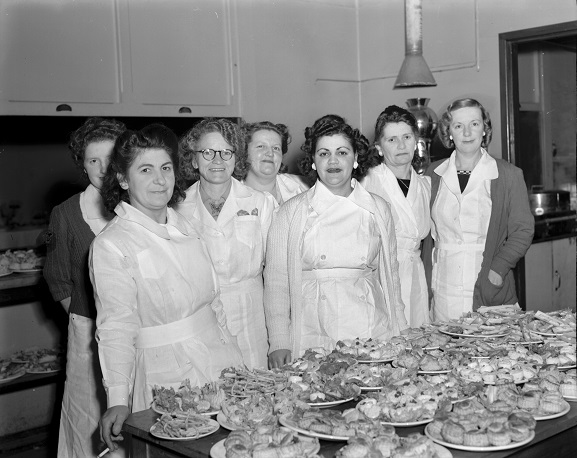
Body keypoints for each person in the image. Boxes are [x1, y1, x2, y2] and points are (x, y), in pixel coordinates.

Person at [90, 124, 243, 453]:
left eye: (166, 168)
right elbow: (117, 326)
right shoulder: (113, 243)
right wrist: (118, 399)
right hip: (167, 377)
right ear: (122, 179)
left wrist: (236, 361)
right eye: (145, 170)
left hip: (218, 363)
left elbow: (213, 303)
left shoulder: (184, 224)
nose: (159, 180)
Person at [264, 116, 408, 368]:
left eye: (342, 152)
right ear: (312, 160)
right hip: (313, 327)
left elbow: (391, 279)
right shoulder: (291, 212)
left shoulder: (379, 208)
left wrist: (401, 329)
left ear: (355, 159)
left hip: (369, 326)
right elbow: (276, 282)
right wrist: (278, 341)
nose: (333, 161)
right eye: (323, 153)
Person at [43, 117, 126, 458]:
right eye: (94, 160)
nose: (104, 168)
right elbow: (58, 281)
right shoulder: (66, 214)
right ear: (83, 165)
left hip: (135, 332)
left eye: (111, 158)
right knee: (89, 420)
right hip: (88, 335)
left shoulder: (142, 204)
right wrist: (89, 322)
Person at [176, 118, 275, 369]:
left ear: (236, 157)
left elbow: (277, 274)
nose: (217, 160)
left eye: (226, 152)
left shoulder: (261, 203)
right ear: (193, 159)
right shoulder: (176, 209)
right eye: (207, 152)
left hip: (252, 317)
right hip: (202, 318)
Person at [423, 98, 534, 321]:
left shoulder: (508, 175)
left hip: (488, 288)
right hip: (443, 288)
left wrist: (497, 271)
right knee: (445, 351)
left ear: (485, 128)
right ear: (449, 132)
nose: (467, 132)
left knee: (490, 352)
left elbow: (523, 230)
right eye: (458, 126)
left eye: (474, 124)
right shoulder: (433, 173)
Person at [361, 105, 431, 327]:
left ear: (415, 140)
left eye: (406, 137)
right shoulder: (367, 182)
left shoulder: (425, 185)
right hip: (381, 277)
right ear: (379, 147)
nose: (401, 145)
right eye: (391, 140)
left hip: (416, 278)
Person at [241, 121, 309, 204]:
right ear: (244, 152)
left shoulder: (304, 186)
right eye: (261, 146)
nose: (270, 153)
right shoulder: (229, 196)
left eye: (276, 148)